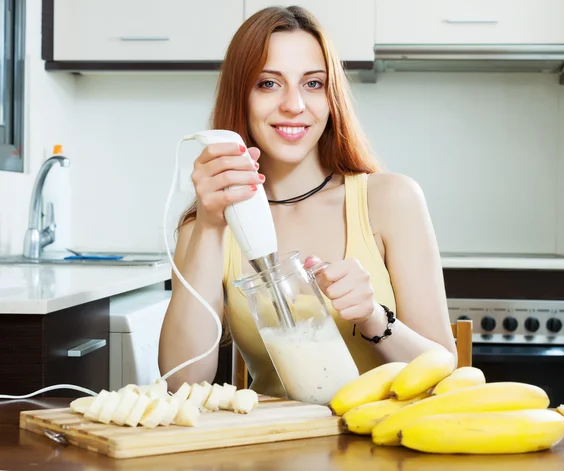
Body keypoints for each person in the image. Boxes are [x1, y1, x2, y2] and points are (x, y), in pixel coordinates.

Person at [158, 5, 457, 397]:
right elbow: (181, 384)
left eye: (313, 84)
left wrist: (373, 318)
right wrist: (211, 226)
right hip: (276, 449)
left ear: (332, 98)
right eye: (268, 83)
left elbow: (444, 373)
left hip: (384, 446)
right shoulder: (206, 228)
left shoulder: (390, 200)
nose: (294, 105)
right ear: (241, 95)